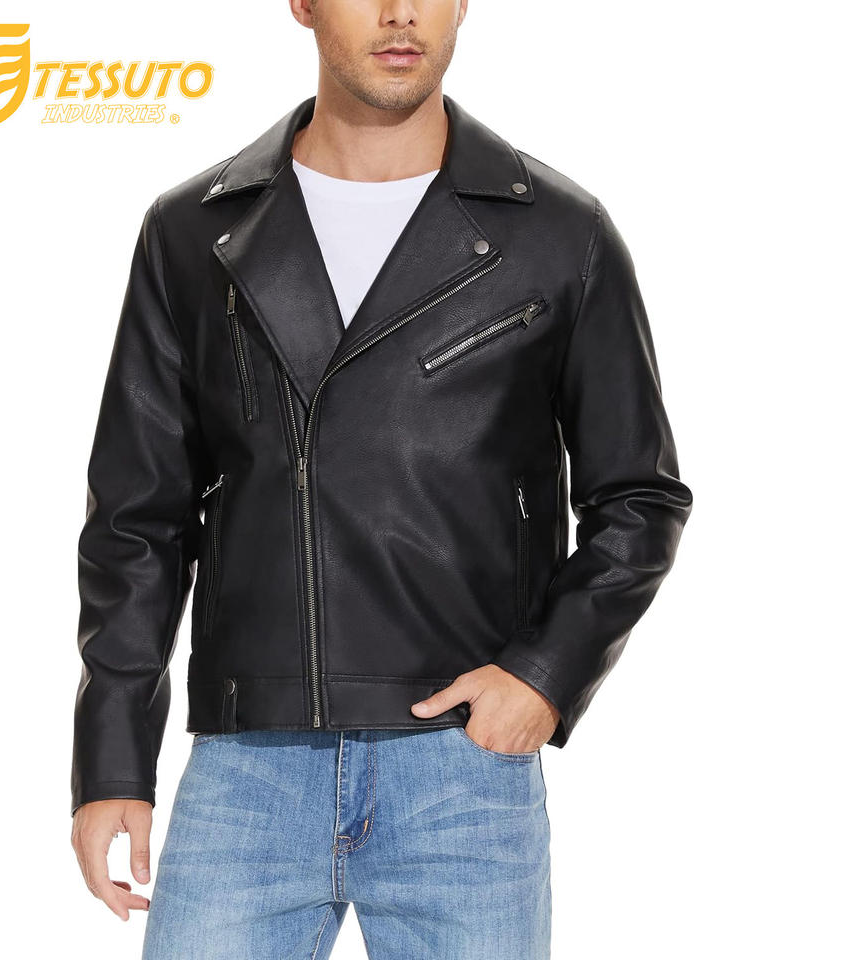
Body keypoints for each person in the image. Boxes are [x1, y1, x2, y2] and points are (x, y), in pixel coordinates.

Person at [70, 1, 693, 957]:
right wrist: (113, 758)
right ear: (303, 4)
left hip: (462, 771)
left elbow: (639, 498)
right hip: (248, 769)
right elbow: (137, 518)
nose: (400, 11)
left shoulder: (559, 232)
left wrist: (544, 677)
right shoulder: (193, 233)